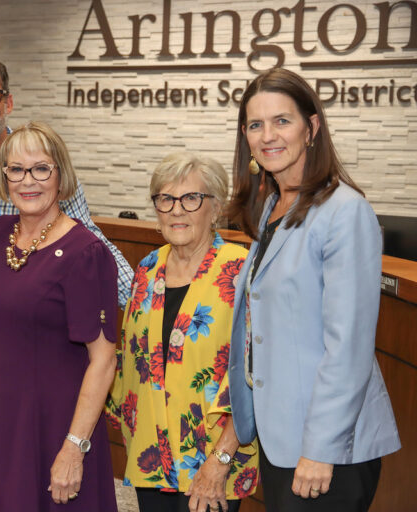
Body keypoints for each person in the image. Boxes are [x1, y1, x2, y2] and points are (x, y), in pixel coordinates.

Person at [226, 68, 401, 511]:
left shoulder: (345, 211)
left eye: (282, 121)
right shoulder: (271, 204)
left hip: (325, 447)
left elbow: (348, 346)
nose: (268, 135)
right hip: (281, 436)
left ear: (312, 128)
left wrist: (321, 447)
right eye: (255, 124)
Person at [0, 121, 119, 511]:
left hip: (54, 426)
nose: (27, 181)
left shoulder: (85, 252)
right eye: (16, 170)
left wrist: (74, 447)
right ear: (4, 177)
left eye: (40, 169)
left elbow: (104, 361)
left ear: (60, 175)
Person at [106, 153, 260, 512]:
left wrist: (221, 458)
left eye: (191, 198)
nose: (176, 210)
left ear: (215, 207)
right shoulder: (147, 269)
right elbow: (133, 361)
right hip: (151, 455)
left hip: (214, 458)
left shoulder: (241, 271)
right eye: (165, 199)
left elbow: (255, 371)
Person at [0, 53, 133, 307]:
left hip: (22, 320)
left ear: (8, 103)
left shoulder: (47, 172)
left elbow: (91, 244)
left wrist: (140, 303)